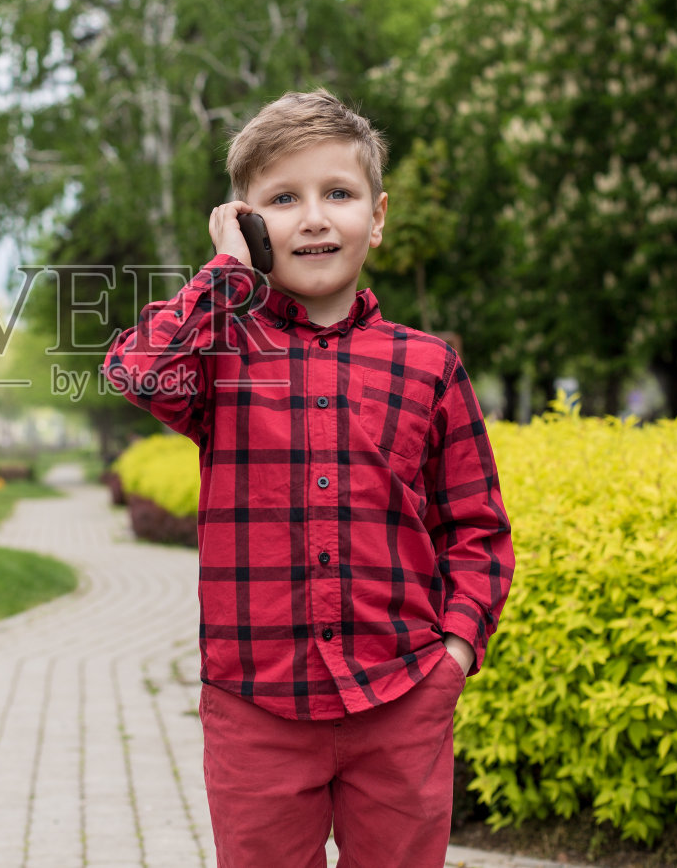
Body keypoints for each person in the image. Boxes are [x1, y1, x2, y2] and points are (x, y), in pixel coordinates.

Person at [104, 89, 514, 868]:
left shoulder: (428, 367)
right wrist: (225, 271)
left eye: (339, 193)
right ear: (248, 222)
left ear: (378, 214)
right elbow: (138, 371)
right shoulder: (221, 357)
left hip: (399, 700)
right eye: (283, 199)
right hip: (256, 707)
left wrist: (453, 656)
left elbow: (477, 531)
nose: (315, 217)